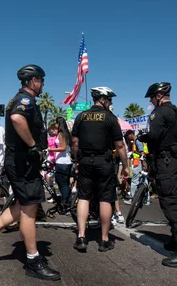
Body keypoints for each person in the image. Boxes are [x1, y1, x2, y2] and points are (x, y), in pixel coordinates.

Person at [0, 64, 60, 281]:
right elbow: (17, 119)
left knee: (22, 204)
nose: (43, 84)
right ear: (32, 81)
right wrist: (32, 146)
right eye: (41, 80)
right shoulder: (24, 100)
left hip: (21, 162)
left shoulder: (18, 99)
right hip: (22, 162)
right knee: (30, 208)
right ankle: (32, 260)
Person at [138, 82, 177, 267]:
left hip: (166, 162)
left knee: (170, 203)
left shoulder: (159, 112)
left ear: (159, 96)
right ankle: (176, 239)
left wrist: (142, 137)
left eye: (152, 98)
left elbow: (153, 135)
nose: (152, 102)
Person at [71, 86, 128, 252]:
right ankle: (104, 240)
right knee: (105, 198)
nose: (110, 103)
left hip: (85, 161)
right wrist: (125, 166)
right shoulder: (110, 118)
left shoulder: (81, 116)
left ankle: (81, 237)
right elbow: (119, 145)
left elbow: (75, 142)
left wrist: (77, 160)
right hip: (104, 161)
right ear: (102, 99)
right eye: (109, 99)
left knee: (83, 197)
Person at [51, 117, 73, 208]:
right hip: (67, 161)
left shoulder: (61, 134)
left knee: (62, 183)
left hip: (62, 162)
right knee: (65, 184)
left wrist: (51, 149)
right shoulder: (67, 134)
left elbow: (63, 147)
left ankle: (66, 203)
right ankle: (67, 202)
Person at [126, 130, 149, 205]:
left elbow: (142, 153)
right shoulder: (137, 140)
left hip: (138, 163)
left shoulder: (137, 140)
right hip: (140, 163)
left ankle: (133, 199)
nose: (128, 138)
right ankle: (146, 199)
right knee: (144, 181)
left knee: (134, 181)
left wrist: (143, 164)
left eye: (128, 136)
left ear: (131, 134)